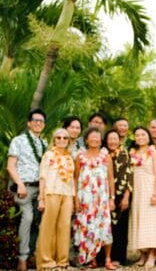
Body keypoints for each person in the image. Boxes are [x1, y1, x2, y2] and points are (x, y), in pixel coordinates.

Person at [7, 108, 48, 271]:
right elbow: (10, 166)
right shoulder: (19, 140)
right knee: (28, 218)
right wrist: (20, 184)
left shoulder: (45, 143)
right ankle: (22, 259)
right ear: (29, 123)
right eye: (35, 120)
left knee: (40, 222)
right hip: (24, 188)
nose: (38, 123)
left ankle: (33, 255)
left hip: (41, 190)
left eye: (41, 121)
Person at [73, 127, 116, 270]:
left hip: (101, 199)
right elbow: (75, 178)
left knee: (104, 227)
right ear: (86, 139)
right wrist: (76, 199)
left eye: (97, 137)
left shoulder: (106, 156)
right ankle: (92, 259)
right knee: (87, 227)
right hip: (85, 199)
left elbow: (110, 178)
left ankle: (108, 259)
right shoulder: (80, 157)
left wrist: (112, 198)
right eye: (92, 137)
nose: (95, 140)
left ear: (101, 140)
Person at [36, 128, 75, 270]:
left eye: (65, 138)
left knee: (64, 226)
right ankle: (46, 261)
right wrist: (41, 198)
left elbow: (71, 180)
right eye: (58, 138)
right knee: (48, 227)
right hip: (51, 192)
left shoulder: (70, 157)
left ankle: (62, 260)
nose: (62, 140)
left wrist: (73, 197)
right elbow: (42, 177)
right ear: (54, 140)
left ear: (68, 141)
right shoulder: (48, 155)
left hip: (67, 194)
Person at [127, 127, 156, 268]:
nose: (140, 137)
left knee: (151, 221)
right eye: (137, 135)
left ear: (148, 137)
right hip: (137, 190)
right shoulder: (133, 153)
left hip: (149, 189)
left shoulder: (154, 153)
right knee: (139, 221)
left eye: (143, 134)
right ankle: (142, 254)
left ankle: (151, 255)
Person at [104, 129, 133, 266]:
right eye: (110, 139)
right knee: (106, 226)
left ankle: (119, 257)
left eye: (115, 139)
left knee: (121, 227)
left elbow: (129, 176)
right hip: (104, 195)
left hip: (122, 195)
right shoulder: (102, 154)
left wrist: (127, 196)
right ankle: (103, 257)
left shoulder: (125, 154)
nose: (113, 141)